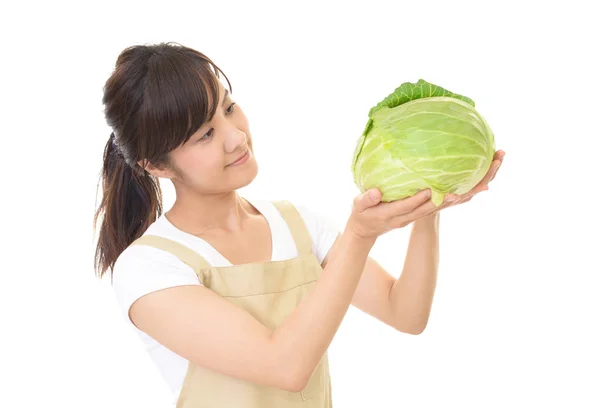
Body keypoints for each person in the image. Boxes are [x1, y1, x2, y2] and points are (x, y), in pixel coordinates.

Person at [93, 42, 504, 408]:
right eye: (205, 134)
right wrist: (360, 235)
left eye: (229, 107)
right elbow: (285, 366)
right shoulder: (148, 267)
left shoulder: (295, 224)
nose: (236, 137)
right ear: (156, 165)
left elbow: (406, 313)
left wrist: (428, 206)